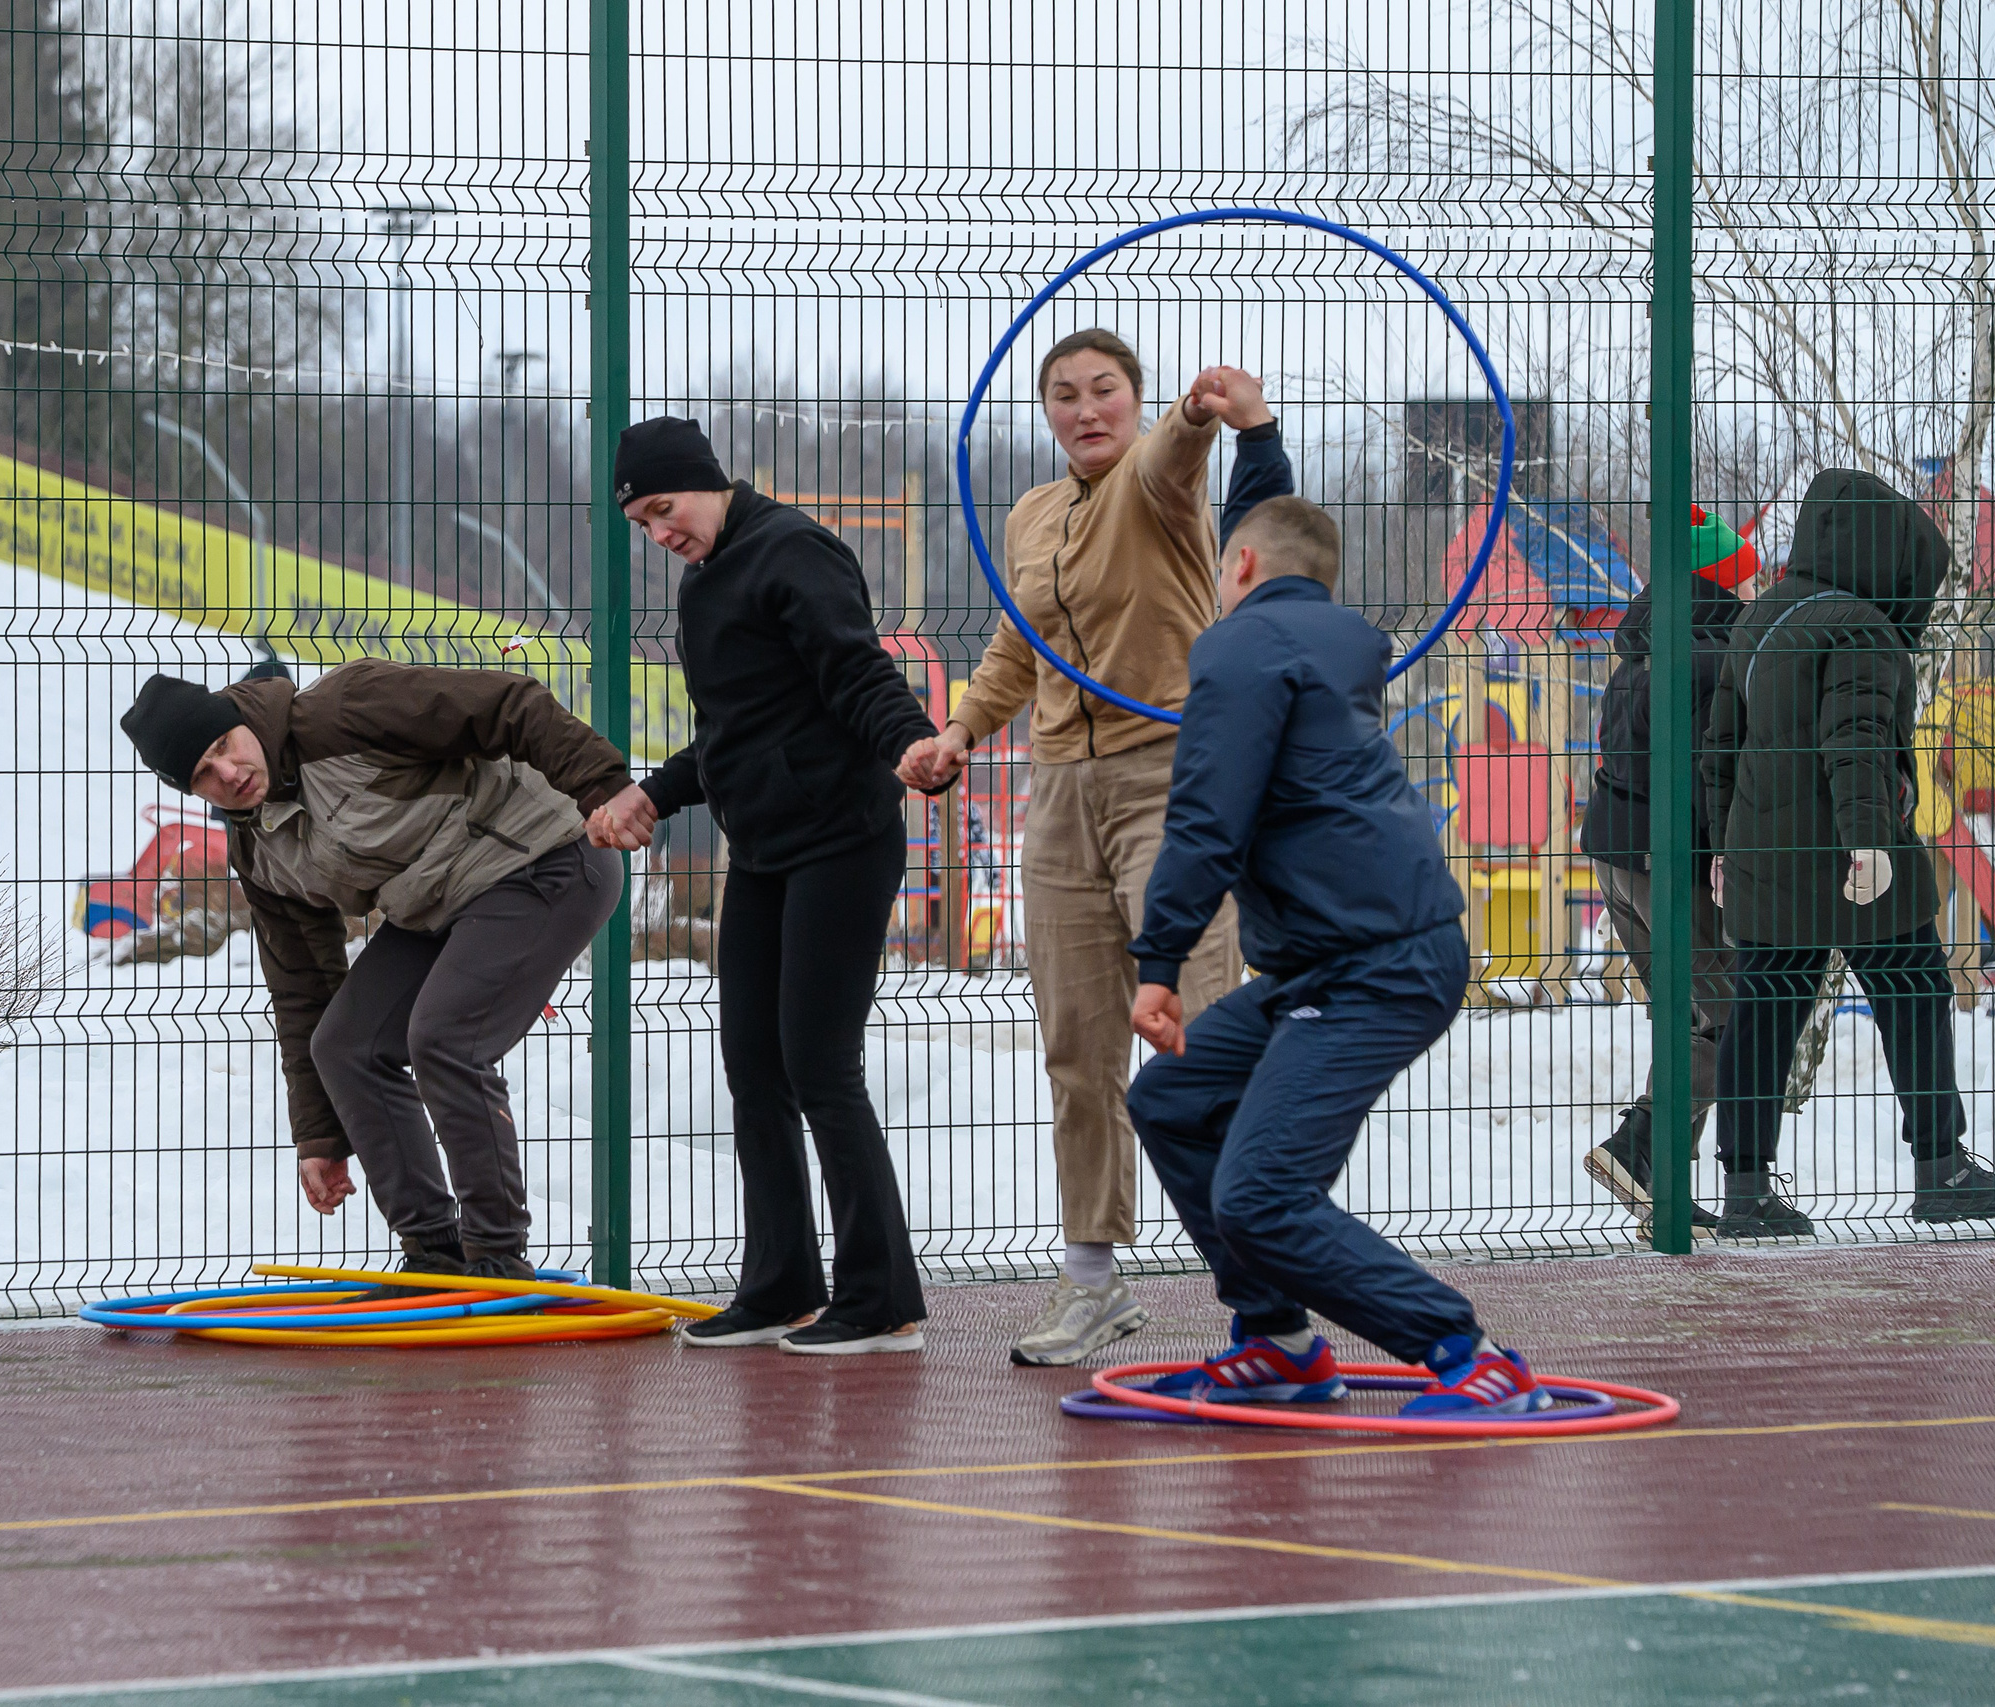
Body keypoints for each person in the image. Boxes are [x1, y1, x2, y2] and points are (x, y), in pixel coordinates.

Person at [897, 342, 1292, 1367]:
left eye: (1103, 391)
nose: (1084, 411)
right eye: (1062, 396)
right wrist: (959, 733)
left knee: (1197, 1031)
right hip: (1060, 794)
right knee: (1078, 1048)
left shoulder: (1159, 485)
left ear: (1135, 401)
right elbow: (1017, 648)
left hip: (1170, 779)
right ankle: (1092, 1286)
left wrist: (1212, 415)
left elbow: (1172, 455)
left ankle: (1265, 1283)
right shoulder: (1032, 511)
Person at [1123, 494, 1550, 1416]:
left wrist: (1158, 963)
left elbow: (1206, 821)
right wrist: (1258, 433)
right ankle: (1278, 1342)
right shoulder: (1317, 641)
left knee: (1262, 1192)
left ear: (1238, 569)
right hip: (1336, 958)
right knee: (1175, 1098)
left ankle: (1467, 1353)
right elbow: (1273, 527)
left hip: (1375, 964)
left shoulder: (1241, 648)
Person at [588, 416, 937, 1355]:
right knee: (753, 1065)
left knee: (821, 1064)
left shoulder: (794, 553)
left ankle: (882, 1298)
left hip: (843, 841)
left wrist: (907, 742)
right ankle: (782, 1281)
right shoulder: (707, 584)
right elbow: (734, 735)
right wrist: (651, 794)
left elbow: (856, 671)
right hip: (768, 849)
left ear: (706, 483)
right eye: (644, 524)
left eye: (667, 510)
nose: (661, 534)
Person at [122, 659, 630, 1283]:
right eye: (204, 774)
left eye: (224, 746)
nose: (229, 773)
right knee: (345, 1046)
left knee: (444, 1039)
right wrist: (321, 1137)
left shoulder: (344, 711)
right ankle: (433, 1256)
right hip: (438, 906)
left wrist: (604, 786)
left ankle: (497, 1258)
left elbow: (505, 702)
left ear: (237, 719)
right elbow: (302, 986)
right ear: (191, 790)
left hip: (546, 859)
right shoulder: (257, 849)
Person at [1701, 468, 1995, 1235]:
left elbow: (1719, 750)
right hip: (1850, 852)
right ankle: (1942, 1166)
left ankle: (1745, 1190)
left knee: (1766, 1009)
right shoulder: (1862, 625)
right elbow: (1858, 742)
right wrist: (1870, 839)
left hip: (1765, 855)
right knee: (1916, 990)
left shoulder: (1762, 616)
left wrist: (1719, 846)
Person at [1577, 508, 1764, 1234]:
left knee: (1687, 1014)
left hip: (1615, 853)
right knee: (1732, 1015)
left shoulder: (1643, 647)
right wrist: (1723, 853)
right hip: (1672, 860)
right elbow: (1709, 771)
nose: (1755, 583)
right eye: (1743, 571)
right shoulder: (1714, 656)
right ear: (1716, 579)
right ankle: (1643, 1145)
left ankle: (1657, 1178)